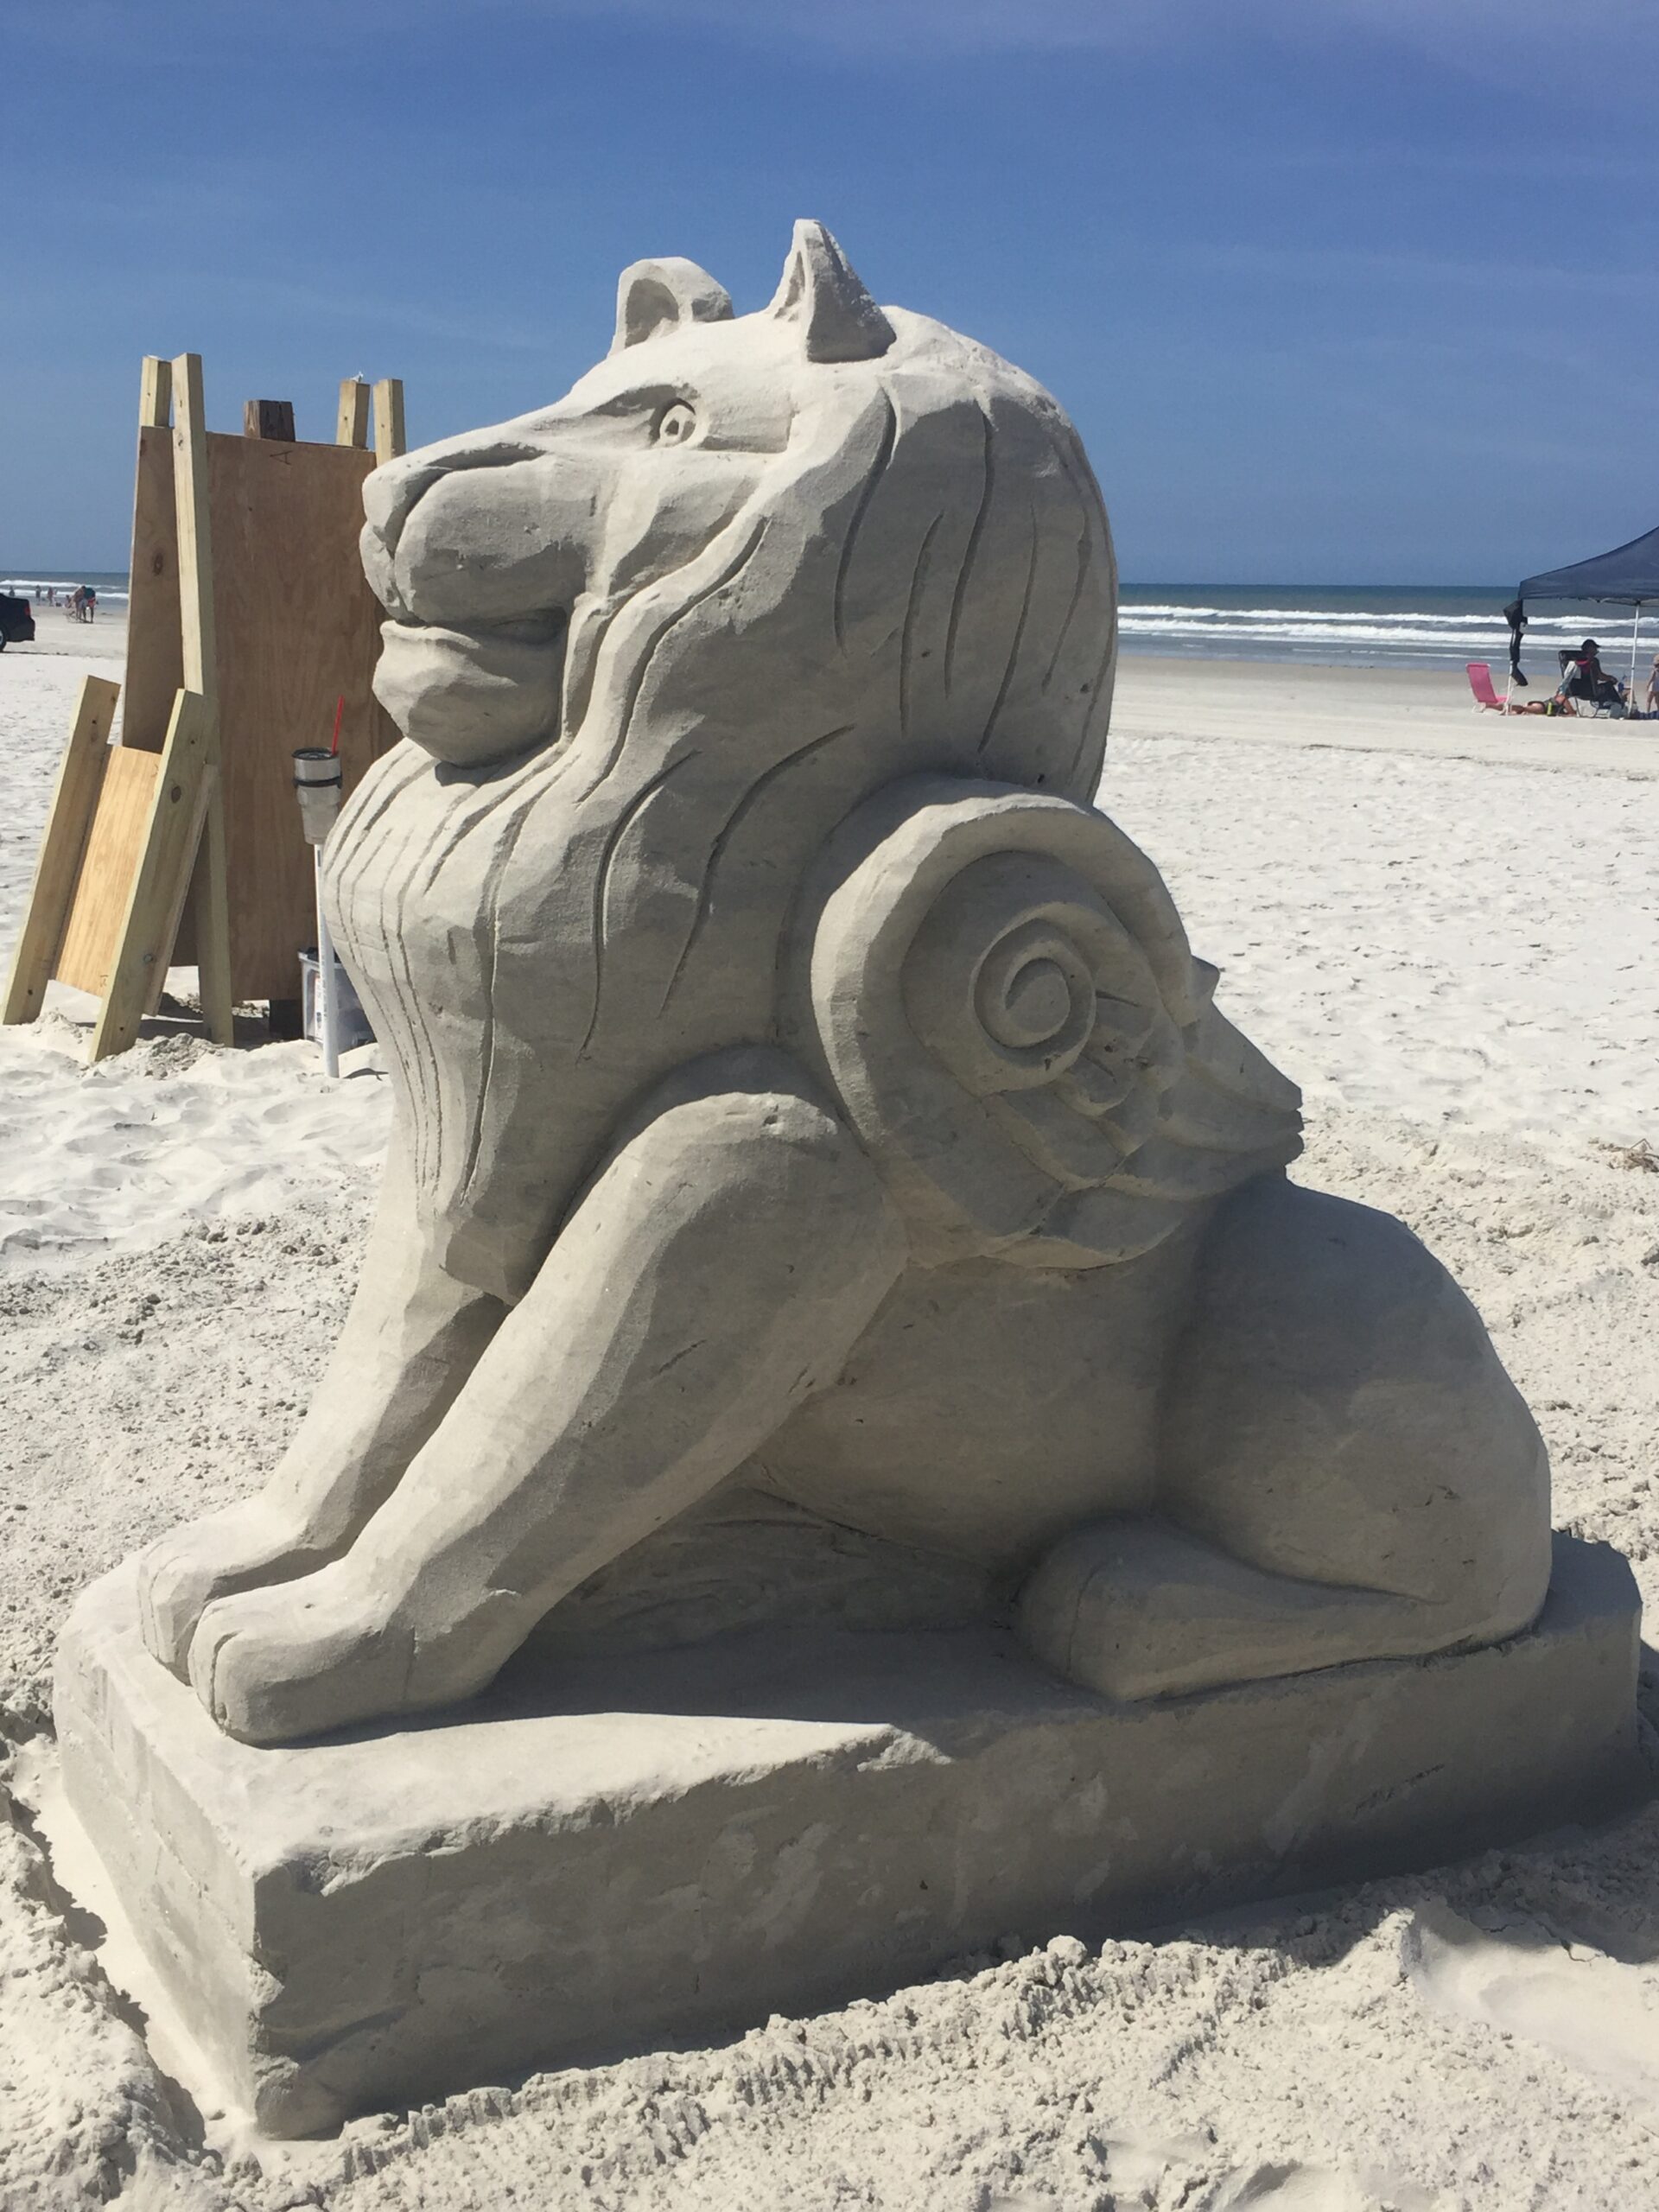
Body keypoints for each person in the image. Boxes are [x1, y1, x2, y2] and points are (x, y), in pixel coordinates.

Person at [1556, 639, 1626, 713]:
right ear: (1590, 649)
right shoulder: (1593, 661)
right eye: (1595, 648)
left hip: (1573, 691)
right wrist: (1611, 678)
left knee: (1605, 686)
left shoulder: (1574, 662)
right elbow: (1601, 676)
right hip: (1592, 692)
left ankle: (1559, 708)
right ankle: (1619, 705)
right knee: (1609, 686)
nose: (1596, 650)